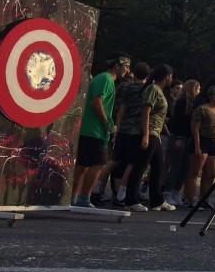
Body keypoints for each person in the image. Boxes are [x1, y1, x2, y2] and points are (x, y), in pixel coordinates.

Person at [71, 56, 130, 207]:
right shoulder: (105, 79)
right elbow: (96, 102)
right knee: (98, 164)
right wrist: (108, 123)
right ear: (117, 65)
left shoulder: (105, 79)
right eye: (126, 66)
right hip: (94, 130)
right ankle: (83, 198)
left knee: (84, 165)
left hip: (92, 129)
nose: (128, 70)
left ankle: (74, 198)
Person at [124, 64, 175, 212]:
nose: (172, 78)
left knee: (158, 166)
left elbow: (159, 115)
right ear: (167, 76)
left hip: (156, 133)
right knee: (140, 166)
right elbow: (146, 111)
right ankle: (131, 200)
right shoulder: (152, 89)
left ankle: (157, 200)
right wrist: (145, 135)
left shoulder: (159, 90)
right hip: (146, 132)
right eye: (171, 75)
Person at [110, 61, 150, 206]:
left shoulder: (125, 87)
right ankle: (121, 194)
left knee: (114, 161)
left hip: (123, 128)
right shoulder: (147, 90)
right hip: (136, 130)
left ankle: (97, 190)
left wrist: (118, 127)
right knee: (132, 163)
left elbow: (121, 109)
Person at [183, 85, 215, 206]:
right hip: (202, 140)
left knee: (211, 173)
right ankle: (190, 199)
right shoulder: (202, 109)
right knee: (195, 172)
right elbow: (195, 128)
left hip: (213, 143)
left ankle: (204, 199)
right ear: (211, 96)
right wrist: (197, 146)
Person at [164, 79, 200, 205]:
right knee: (176, 166)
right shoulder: (182, 102)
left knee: (185, 167)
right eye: (197, 88)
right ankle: (167, 192)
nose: (199, 91)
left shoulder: (192, 103)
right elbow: (177, 121)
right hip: (179, 137)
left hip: (187, 137)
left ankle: (175, 191)